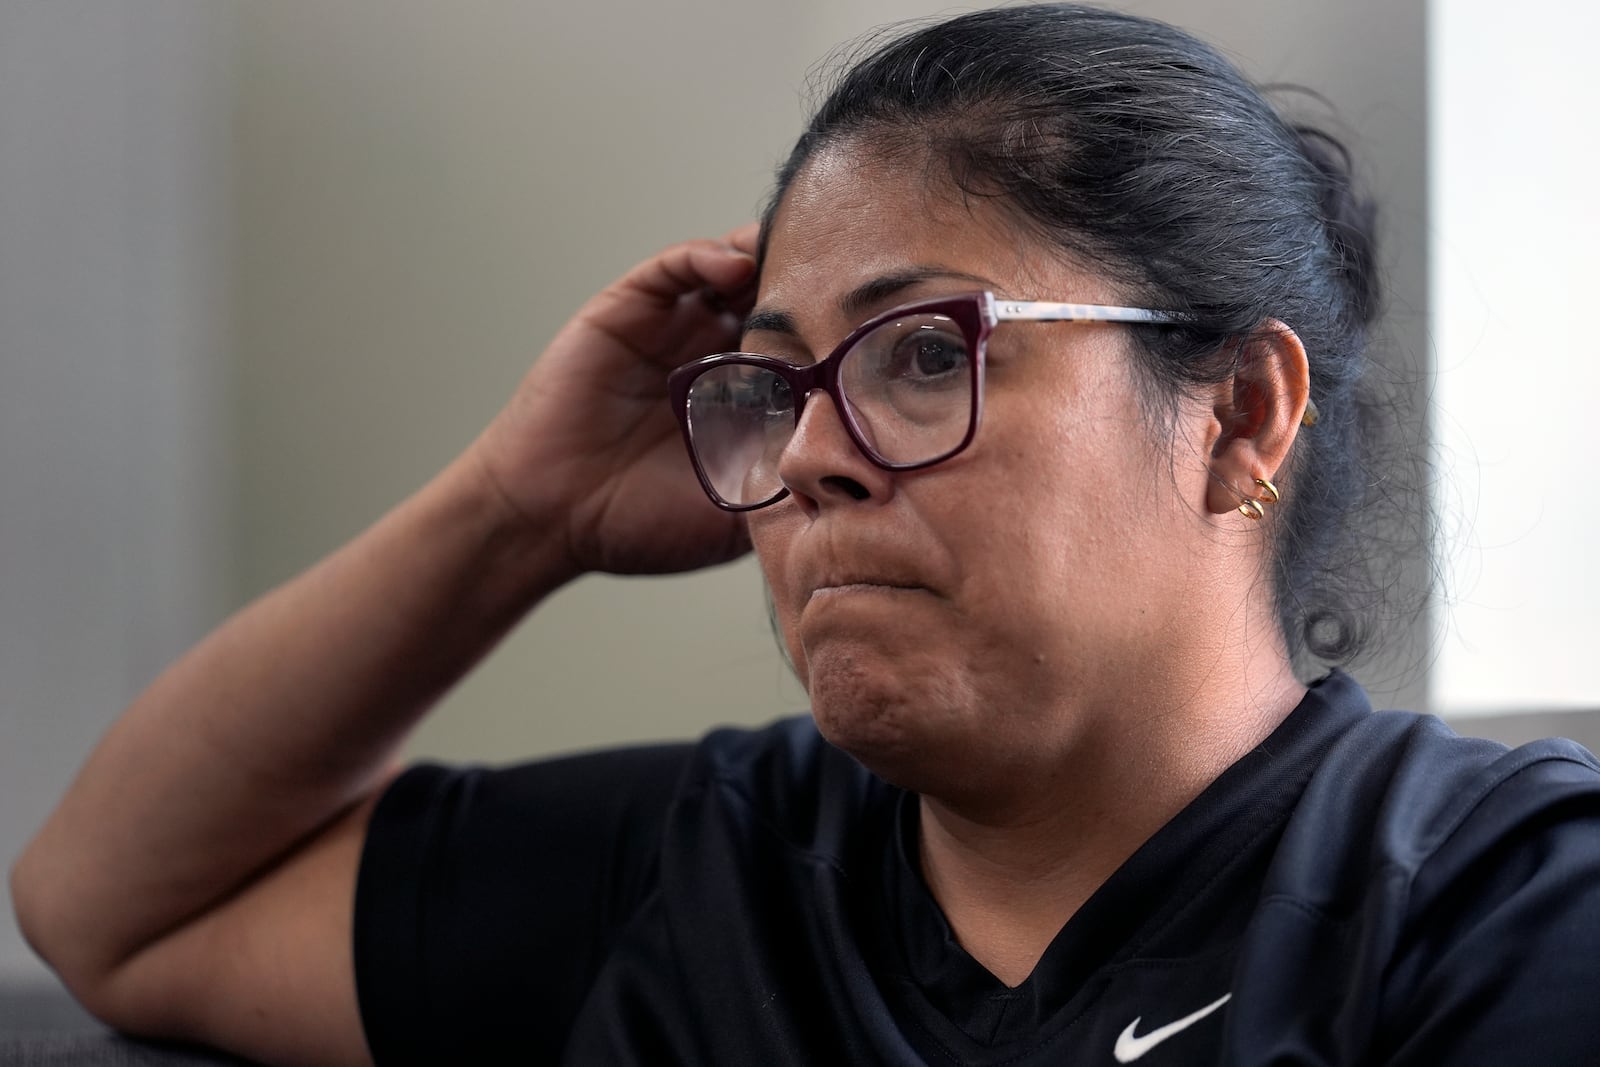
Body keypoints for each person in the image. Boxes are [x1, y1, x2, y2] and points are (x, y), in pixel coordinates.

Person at [12, 5, 1600, 1065]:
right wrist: (520, 511)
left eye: (925, 354)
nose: (814, 454)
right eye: (771, 387)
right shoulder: (711, 869)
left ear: (1241, 415)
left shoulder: (1504, 910)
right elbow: (110, 908)